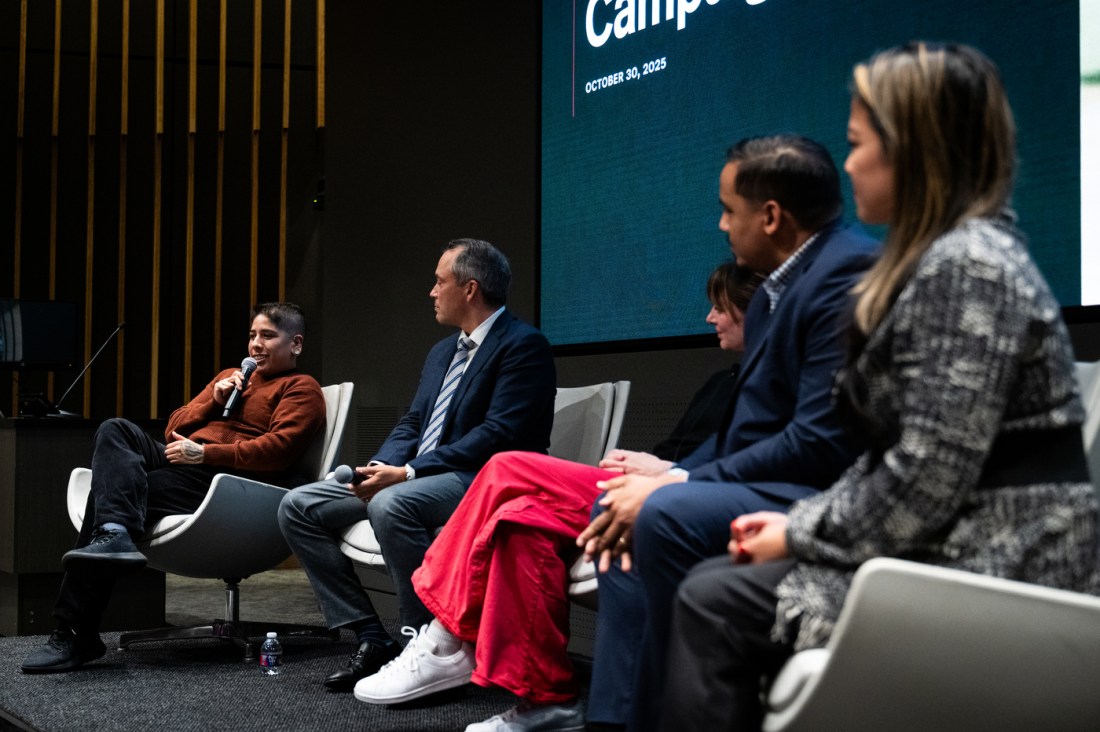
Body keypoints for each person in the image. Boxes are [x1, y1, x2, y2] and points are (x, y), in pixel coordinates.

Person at [661, 41, 1100, 731]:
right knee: (715, 586)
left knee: (713, 601)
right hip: (962, 541)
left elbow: (926, 475)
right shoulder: (956, 258)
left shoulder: (967, 266)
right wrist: (799, 526)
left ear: (915, 151)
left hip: (1001, 563)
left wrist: (798, 531)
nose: (850, 164)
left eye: (859, 144)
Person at [351, 262, 764, 730]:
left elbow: (758, 460)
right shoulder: (724, 382)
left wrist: (672, 472)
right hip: (653, 486)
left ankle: (446, 634)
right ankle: (547, 701)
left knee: (505, 467)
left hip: (687, 496)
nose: (710, 317)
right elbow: (681, 450)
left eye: (720, 307)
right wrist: (644, 462)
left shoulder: (770, 385)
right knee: (519, 520)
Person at [577, 136, 880, 731]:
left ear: (770, 216)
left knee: (662, 514)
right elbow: (748, 432)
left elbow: (818, 440)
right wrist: (674, 475)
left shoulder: (845, 276)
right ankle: (618, 716)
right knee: (620, 504)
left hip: (821, 491)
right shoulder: (770, 293)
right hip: (770, 481)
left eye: (727, 210)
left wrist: (679, 482)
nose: (721, 225)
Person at [278, 238, 557, 692]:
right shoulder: (443, 351)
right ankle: (371, 634)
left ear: (469, 289)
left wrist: (408, 473)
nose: (432, 291)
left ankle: (424, 644)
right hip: (422, 475)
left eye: (439, 282)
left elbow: (498, 434)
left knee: (391, 504)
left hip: (485, 478)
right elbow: (414, 422)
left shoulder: (524, 346)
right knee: (298, 505)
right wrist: (380, 466)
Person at [21, 302, 327, 674]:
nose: (255, 345)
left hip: (224, 483)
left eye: (268, 336)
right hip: (183, 460)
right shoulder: (231, 377)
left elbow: (278, 452)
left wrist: (206, 453)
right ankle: (114, 533)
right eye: (252, 336)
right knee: (115, 429)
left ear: (295, 344)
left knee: (106, 498)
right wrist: (213, 400)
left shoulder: (302, 389)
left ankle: (74, 631)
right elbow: (173, 428)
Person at [651, 262, 765, 463]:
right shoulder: (719, 383)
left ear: (754, 311)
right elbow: (671, 447)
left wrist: (668, 470)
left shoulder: (768, 389)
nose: (709, 318)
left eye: (719, 308)